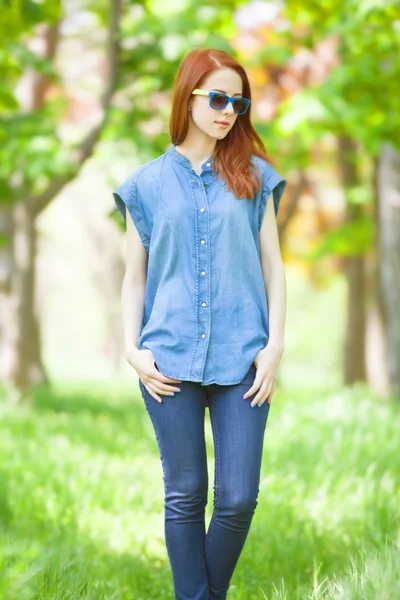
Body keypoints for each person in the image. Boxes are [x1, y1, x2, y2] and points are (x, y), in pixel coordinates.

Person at [113, 48, 287, 600]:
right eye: (216, 97)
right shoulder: (143, 186)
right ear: (186, 97)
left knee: (237, 496)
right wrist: (130, 349)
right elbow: (133, 278)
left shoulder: (254, 177)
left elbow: (274, 270)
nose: (228, 110)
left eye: (238, 101)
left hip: (245, 359)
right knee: (185, 492)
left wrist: (275, 346)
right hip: (168, 358)